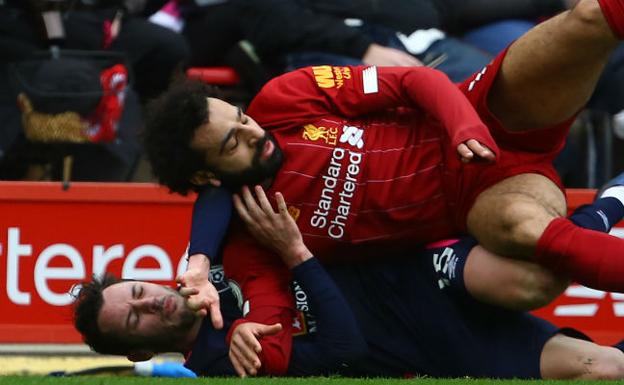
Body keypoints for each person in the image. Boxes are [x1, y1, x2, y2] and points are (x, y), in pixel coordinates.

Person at [143, 0, 624, 374]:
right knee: (528, 244)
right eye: (234, 143)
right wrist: (251, 333)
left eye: (242, 119)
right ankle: (607, 208)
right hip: (480, 199)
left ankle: (606, 206)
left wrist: (464, 128)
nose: (254, 133)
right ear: (207, 175)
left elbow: (415, 80)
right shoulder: (257, 240)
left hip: (481, 113)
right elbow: (273, 321)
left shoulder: (282, 98)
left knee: (586, 20)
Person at [72, 193, 624, 379]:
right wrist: (297, 256)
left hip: (410, 274)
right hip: (433, 345)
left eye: (138, 291)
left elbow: (220, 187)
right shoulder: (225, 362)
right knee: (607, 370)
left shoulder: (200, 268)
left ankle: (607, 205)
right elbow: (344, 347)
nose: (151, 302)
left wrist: (197, 255)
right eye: (136, 318)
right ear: (141, 348)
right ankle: (604, 210)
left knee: (534, 278)